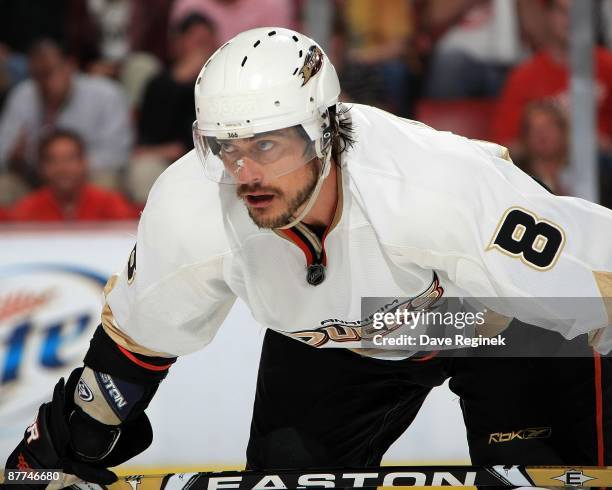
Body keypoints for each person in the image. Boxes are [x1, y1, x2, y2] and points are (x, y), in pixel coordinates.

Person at [5, 27, 611, 485]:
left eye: (266, 144)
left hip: (488, 322)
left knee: (540, 474)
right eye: (225, 147)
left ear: (324, 130)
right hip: (337, 338)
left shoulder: (436, 189)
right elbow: (130, 357)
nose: (245, 173)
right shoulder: (194, 206)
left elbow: (597, 281)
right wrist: (60, 450)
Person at [0, 39, 132, 193]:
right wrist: (15, 159)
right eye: (37, 75)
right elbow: (3, 152)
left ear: (70, 66)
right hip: (36, 180)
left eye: (49, 73)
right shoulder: (23, 95)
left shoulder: (105, 93)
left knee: (105, 182)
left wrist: (64, 168)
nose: (44, 82)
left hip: (88, 177)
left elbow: (117, 154)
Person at [492, 0, 612, 153]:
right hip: (542, 171)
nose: (571, 20)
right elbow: (504, 149)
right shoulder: (524, 77)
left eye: (578, 13)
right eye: (563, 12)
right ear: (548, 15)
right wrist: (545, 140)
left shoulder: (608, 67)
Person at [8, 129, 136, 222]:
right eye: (53, 161)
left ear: (84, 163)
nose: (62, 168)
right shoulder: (26, 210)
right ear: (42, 168)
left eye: (70, 159)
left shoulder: (110, 204)